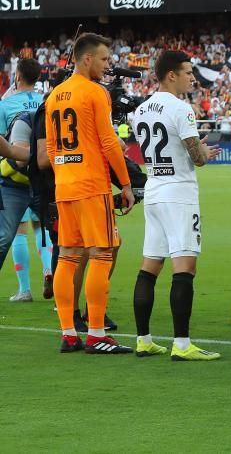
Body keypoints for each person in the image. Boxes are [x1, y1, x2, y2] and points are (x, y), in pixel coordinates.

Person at [45, 33, 136, 354]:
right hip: (91, 185)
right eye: (104, 59)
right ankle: (97, 333)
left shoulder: (55, 95)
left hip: (64, 185)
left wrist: (65, 174)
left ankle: (69, 333)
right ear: (86, 59)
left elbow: (53, 149)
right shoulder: (94, 93)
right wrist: (125, 183)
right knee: (102, 253)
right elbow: (110, 142)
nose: (106, 66)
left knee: (68, 256)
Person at [130, 50, 222, 360]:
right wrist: (205, 154)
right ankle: (182, 344)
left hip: (154, 188)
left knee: (150, 265)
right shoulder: (181, 109)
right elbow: (197, 158)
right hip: (179, 193)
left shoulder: (141, 109)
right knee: (185, 267)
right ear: (172, 75)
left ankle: (143, 340)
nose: (192, 77)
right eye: (187, 72)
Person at [0, 57, 46, 301]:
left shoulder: (5, 104)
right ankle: (50, 273)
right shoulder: (44, 101)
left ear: (17, 76)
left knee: (14, 233)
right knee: (46, 230)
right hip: (42, 176)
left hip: (15, 176)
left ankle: (24, 289)